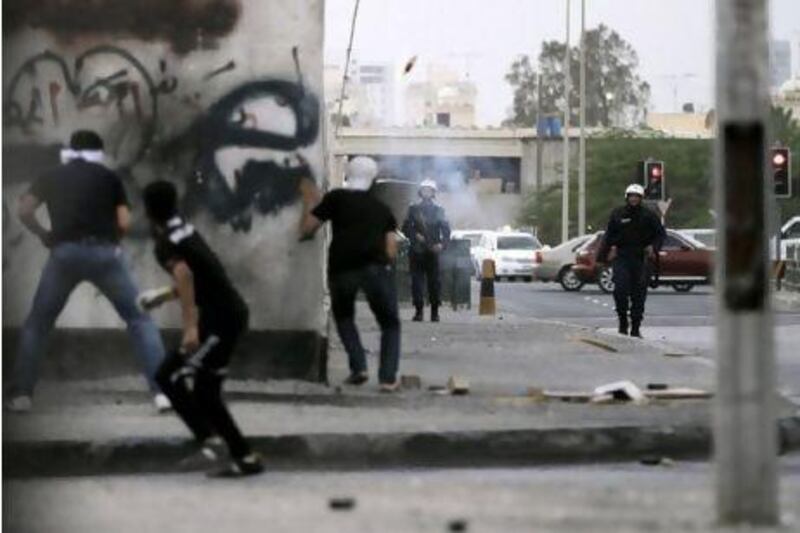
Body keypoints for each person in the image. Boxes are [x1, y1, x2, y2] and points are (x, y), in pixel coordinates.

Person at [6, 130, 169, 413]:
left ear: (72, 150)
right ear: (99, 152)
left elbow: (24, 210)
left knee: (38, 323)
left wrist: (44, 234)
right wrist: (114, 242)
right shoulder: (109, 177)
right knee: (139, 319)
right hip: (104, 255)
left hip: (64, 255)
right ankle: (163, 394)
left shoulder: (52, 175)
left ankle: (21, 396)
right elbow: (123, 221)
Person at [140, 180, 264, 477]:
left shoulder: (166, 242)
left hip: (220, 320)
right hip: (226, 314)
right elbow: (201, 273)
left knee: (170, 376)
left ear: (147, 210)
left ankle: (213, 443)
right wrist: (163, 295)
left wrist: (190, 329)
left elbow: (186, 276)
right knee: (205, 391)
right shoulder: (183, 227)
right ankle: (242, 456)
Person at [300, 157, 401, 392]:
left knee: (344, 317)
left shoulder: (336, 198)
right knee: (389, 323)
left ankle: (359, 368)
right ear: (373, 179)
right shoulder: (382, 208)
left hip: (342, 268)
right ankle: (387, 379)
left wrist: (309, 201)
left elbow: (307, 230)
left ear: (347, 173)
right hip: (375, 269)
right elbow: (391, 248)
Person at [597, 183, 666, 338]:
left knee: (639, 294)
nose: (634, 199)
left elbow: (661, 235)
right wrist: (601, 257)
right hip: (622, 256)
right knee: (620, 290)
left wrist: (653, 247)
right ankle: (622, 322)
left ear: (641, 198)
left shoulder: (649, 215)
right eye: (631, 196)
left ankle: (635, 327)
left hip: (641, 258)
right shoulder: (618, 214)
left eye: (637, 197)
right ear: (627, 197)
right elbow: (608, 236)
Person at [401, 179, 451, 322]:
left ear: (434, 193)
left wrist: (442, 244)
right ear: (420, 192)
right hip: (416, 251)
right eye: (424, 190)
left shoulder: (439, 209)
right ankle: (419, 312)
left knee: (434, 283)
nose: (427, 193)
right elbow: (405, 227)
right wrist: (415, 235)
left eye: (429, 190)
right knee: (417, 283)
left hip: (432, 251)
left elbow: (446, 230)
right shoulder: (414, 208)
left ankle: (435, 312)